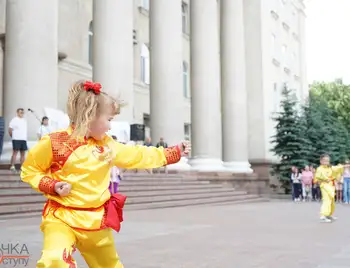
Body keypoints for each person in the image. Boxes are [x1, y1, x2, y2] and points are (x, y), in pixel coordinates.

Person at [20, 80, 191, 267]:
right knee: (54, 260)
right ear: (89, 116)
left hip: (96, 223)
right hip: (61, 218)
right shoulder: (55, 143)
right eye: (109, 120)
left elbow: (137, 155)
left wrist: (173, 153)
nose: (110, 127)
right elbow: (30, 169)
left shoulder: (107, 145)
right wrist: (52, 185)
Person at [314, 154, 348, 223]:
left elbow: (337, 168)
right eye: (325, 161)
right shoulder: (319, 169)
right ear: (321, 161)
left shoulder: (330, 168)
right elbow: (316, 179)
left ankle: (329, 214)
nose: (326, 162)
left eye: (327, 161)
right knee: (326, 199)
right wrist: (324, 180)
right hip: (324, 186)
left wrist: (345, 166)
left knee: (331, 200)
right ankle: (323, 215)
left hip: (330, 186)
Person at [9, 108, 28, 172]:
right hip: (16, 139)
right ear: (17, 113)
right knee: (15, 152)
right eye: (20, 112)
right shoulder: (14, 120)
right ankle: (12, 166)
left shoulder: (24, 120)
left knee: (23, 154)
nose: (21, 113)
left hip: (23, 139)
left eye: (22, 112)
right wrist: (13, 137)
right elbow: (10, 130)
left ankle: (22, 167)